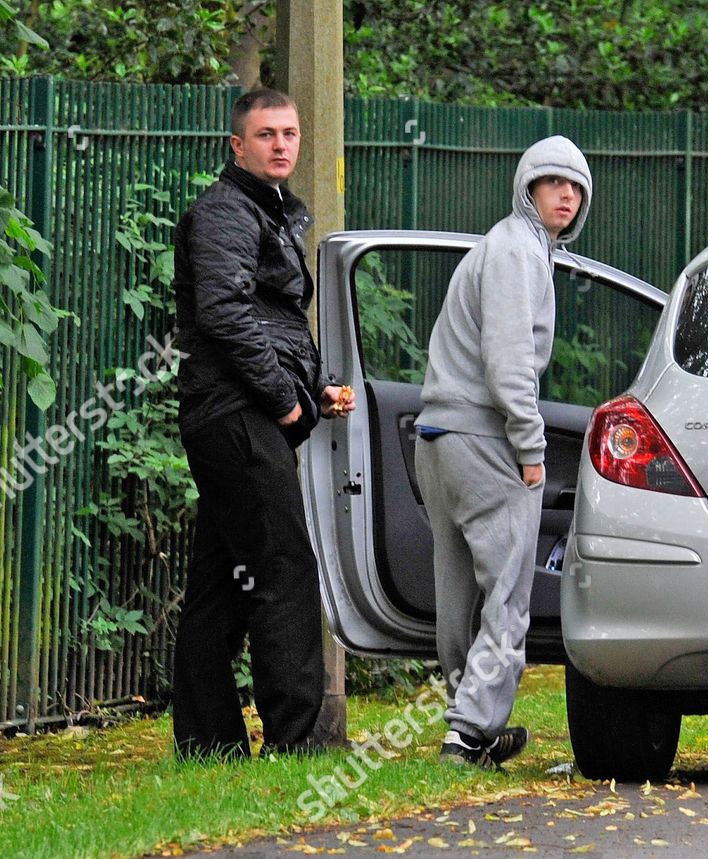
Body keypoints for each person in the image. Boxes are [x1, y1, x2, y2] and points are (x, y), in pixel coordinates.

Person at [170, 88, 355, 760]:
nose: (282, 144)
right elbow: (224, 315)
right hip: (237, 415)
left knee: (220, 587)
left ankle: (209, 744)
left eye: (291, 133)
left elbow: (270, 322)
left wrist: (314, 391)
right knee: (283, 569)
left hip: (239, 412)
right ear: (237, 145)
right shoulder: (225, 211)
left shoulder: (265, 212)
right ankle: (299, 742)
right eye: (267, 133)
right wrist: (285, 400)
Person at [414, 136, 592, 767]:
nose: (565, 195)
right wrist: (531, 445)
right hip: (486, 440)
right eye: (552, 183)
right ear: (527, 190)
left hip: (436, 436)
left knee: (459, 591)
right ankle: (467, 731)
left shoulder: (497, 245)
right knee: (511, 594)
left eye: (575, 187)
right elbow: (509, 365)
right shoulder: (519, 251)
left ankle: (471, 725)